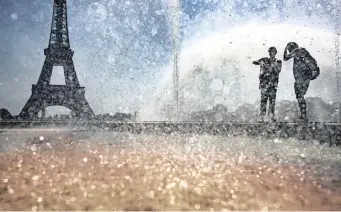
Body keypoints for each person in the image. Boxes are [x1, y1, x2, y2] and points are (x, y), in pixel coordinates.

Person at [283, 42, 319, 122]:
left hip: (302, 78)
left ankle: (303, 115)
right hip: (306, 77)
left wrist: (285, 48)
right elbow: (311, 62)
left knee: (299, 96)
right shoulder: (302, 52)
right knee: (300, 96)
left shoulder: (297, 51)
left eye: (289, 49)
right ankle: (303, 115)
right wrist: (314, 72)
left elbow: (285, 58)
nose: (289, 51)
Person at [253, 47, 282, 122]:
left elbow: (277, 70)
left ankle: (271, 116)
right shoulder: (264, 59)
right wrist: (260, 63)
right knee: (263, 100)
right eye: (271, 52)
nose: (272, 53)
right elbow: (255, 62)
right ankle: (262, 116)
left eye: (273, 52)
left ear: (275, 53)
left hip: (273, 84)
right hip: (264, 83)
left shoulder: (278, 62)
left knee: (272, 101)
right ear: (269, 53)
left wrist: (268, 66)